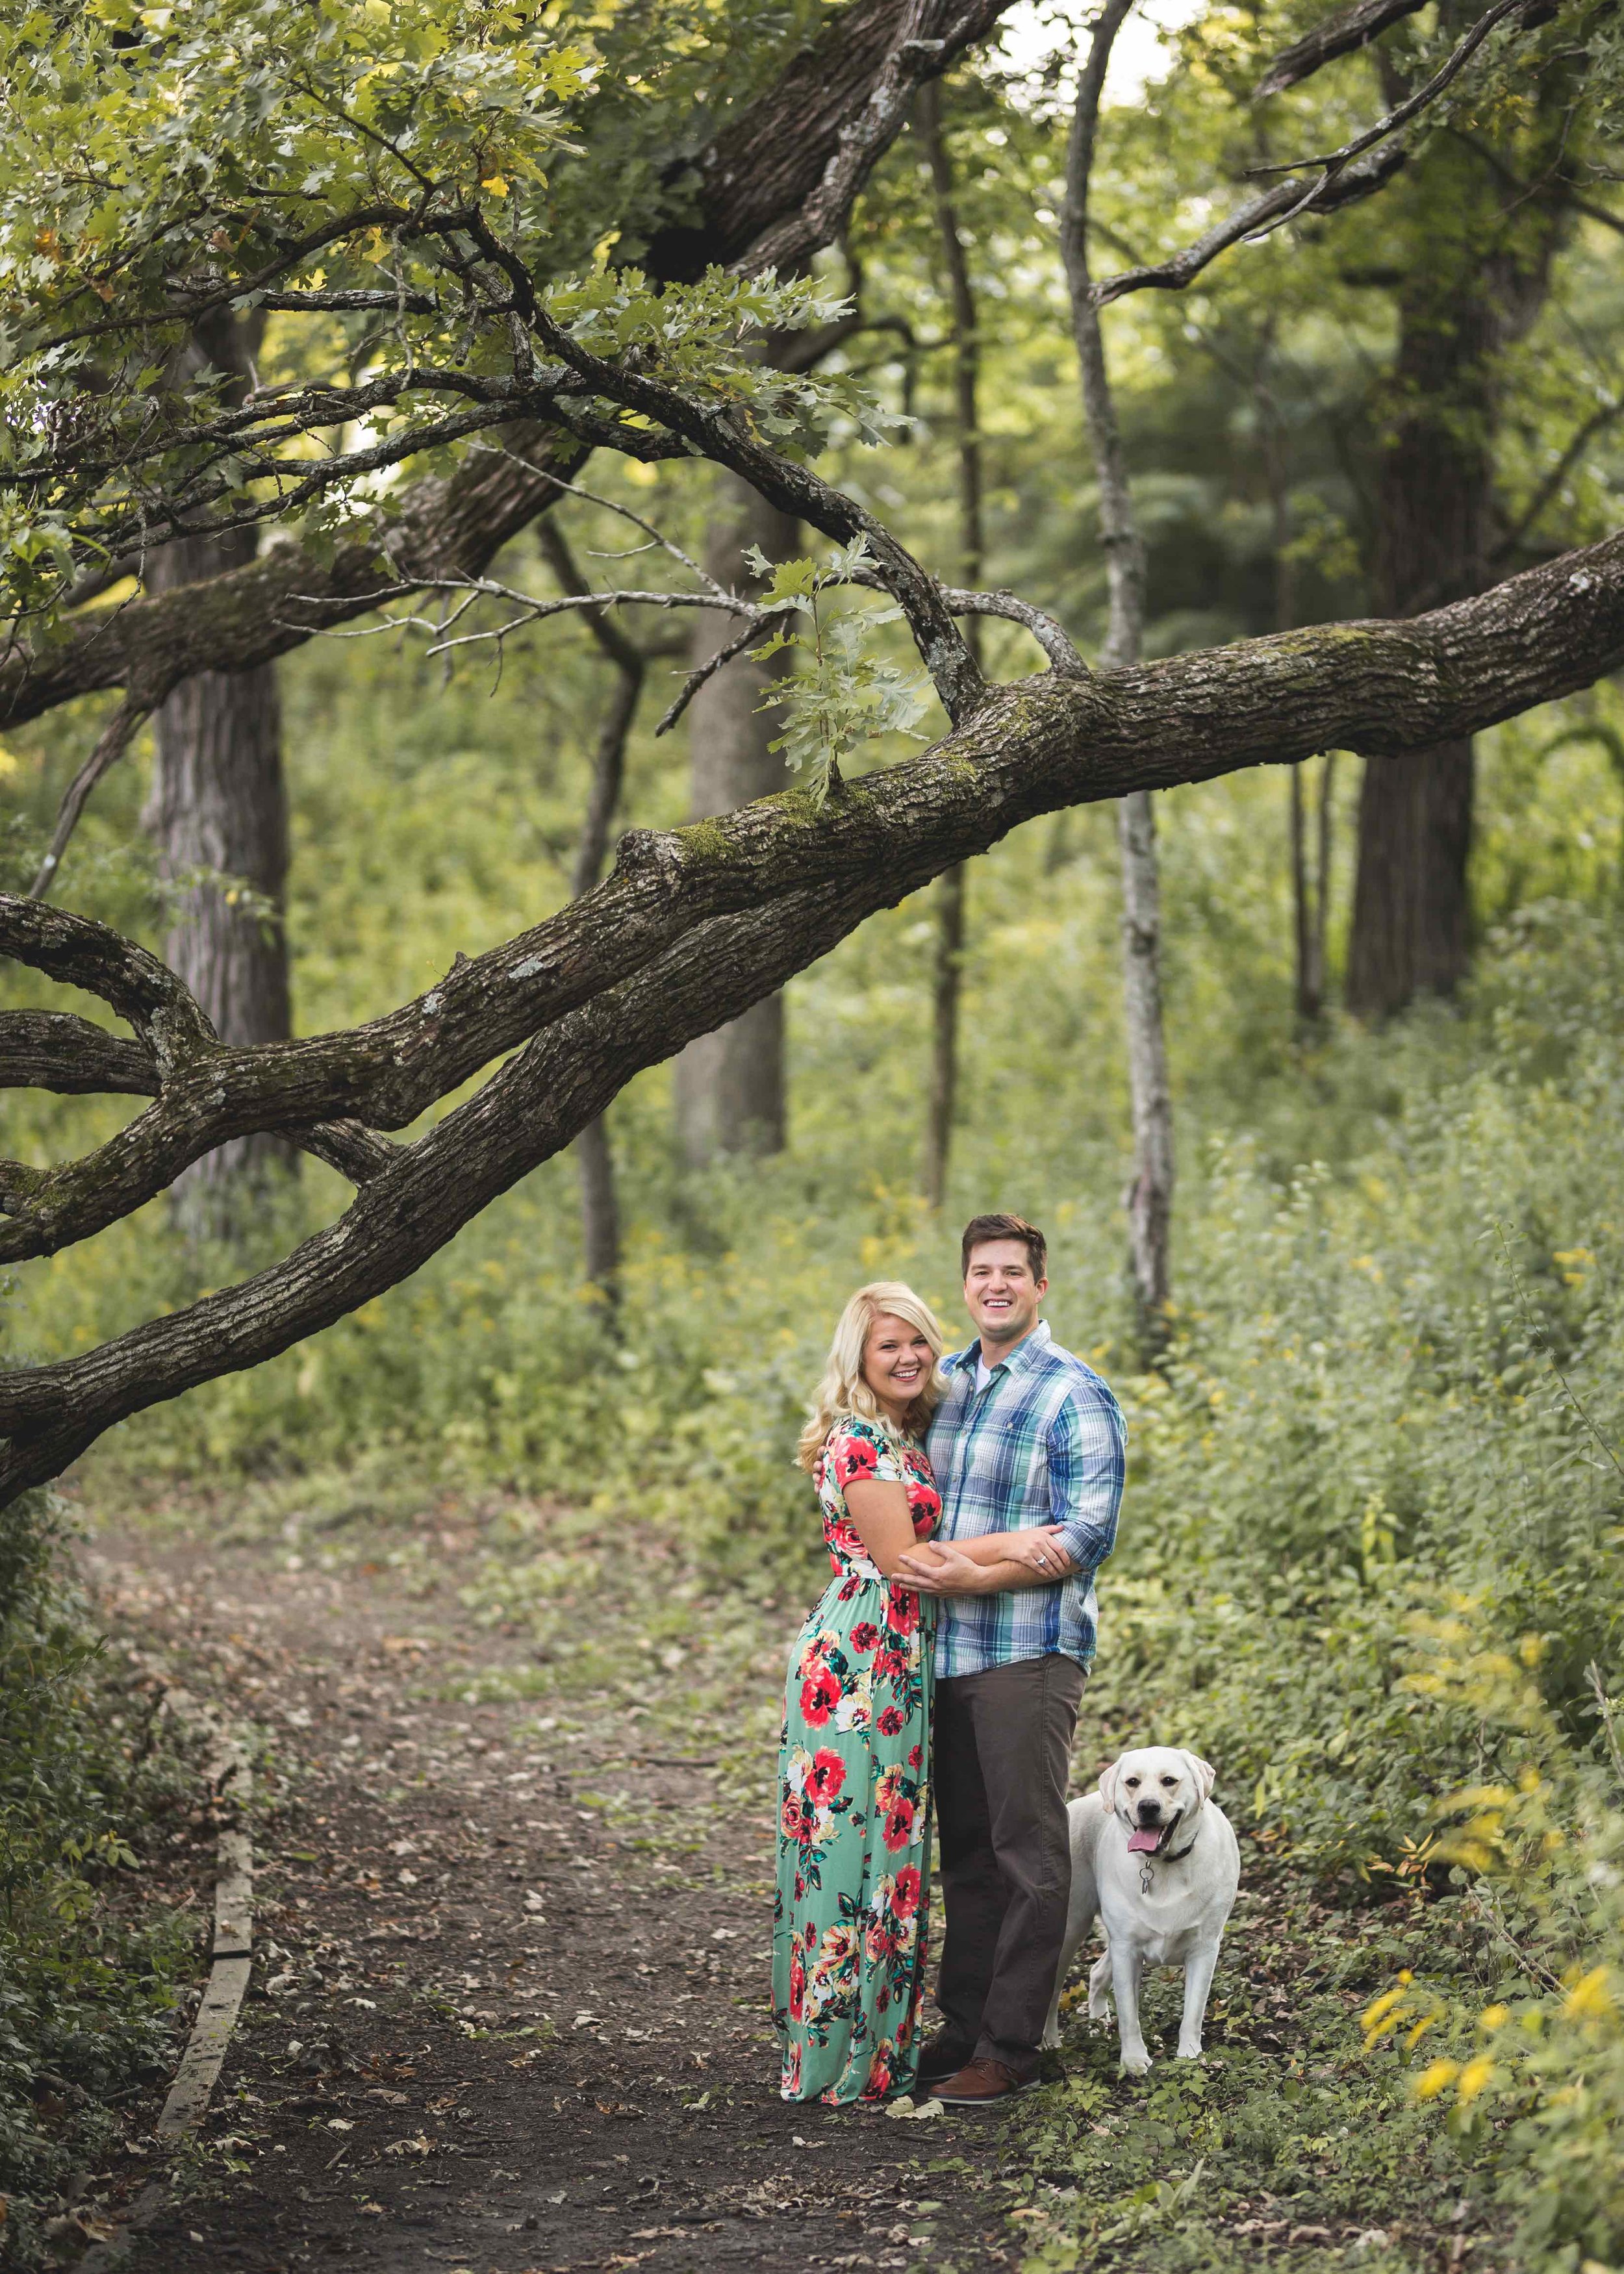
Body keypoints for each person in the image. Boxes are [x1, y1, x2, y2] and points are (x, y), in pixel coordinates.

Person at [772, 1282, 1067, 2105]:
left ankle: (882, 2046)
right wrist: (1022, 1539)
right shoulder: (859, 1443)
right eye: (885, 1346)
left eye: (917, 1343)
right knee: (849, 1852)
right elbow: (906, 1561)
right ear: (858, 1360)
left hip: (903, 1656)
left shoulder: (906, 1435)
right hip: (860, 1662)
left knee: (889, 1856)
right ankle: (839, 2056)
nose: (906, 1358)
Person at [897, 1213, 1126, 2108]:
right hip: (946, 1656)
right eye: (981, 1272)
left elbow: (1086, 1532)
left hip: (1030, 1653)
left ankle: (1011, 2048)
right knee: (970, 1859)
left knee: (1029, 1854)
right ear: (965, 1286)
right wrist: (989, 1556)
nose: (996, 1285)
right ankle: (962, 2031)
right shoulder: (945, 1386)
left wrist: (970, 1569)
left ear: (1041, 1286)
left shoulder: (1076, 1393)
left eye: (1013, 1273)